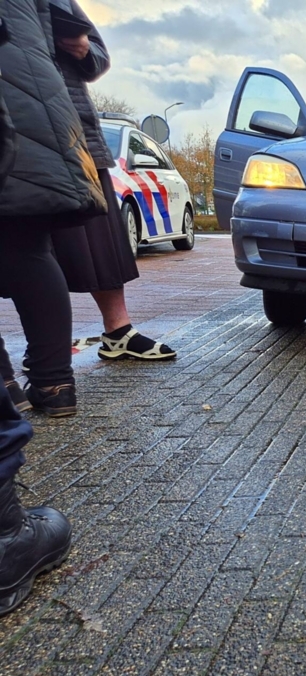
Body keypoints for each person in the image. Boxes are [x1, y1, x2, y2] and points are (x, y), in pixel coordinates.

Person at [0, 0, 87, 615]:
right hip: (25, 96)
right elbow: (83, 39)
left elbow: (88, 45)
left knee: (25, 249)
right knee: (27, 248)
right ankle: (52, 384)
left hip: (20, 99)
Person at [44, 0, 177, 364]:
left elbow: (98, 54)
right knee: (28, 248)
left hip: (78, 136)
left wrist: (87, 50)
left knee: (100, 240)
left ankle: (118, 331)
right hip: (21, 136)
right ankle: (43, 352)